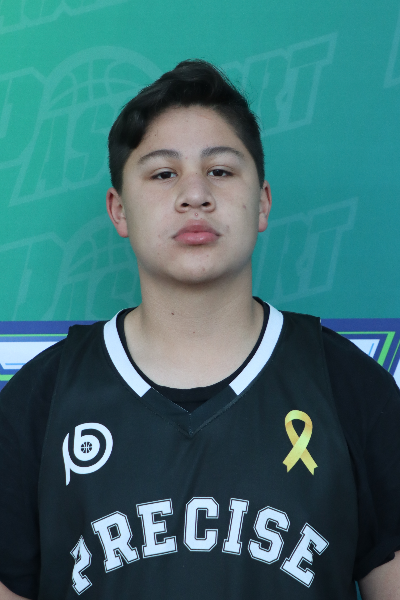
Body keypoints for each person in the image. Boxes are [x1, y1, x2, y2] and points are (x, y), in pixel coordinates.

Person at [0, 59, 399, 600]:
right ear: (119, 210)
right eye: (163, 173)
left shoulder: (351, 389)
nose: (195, 194)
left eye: (221, 171)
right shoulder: (40, 403)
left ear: (263, 202)